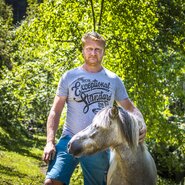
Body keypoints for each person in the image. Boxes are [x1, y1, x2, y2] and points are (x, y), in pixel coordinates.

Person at [43, 32, 147, 185]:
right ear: (83, 50)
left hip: (99, 145)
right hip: (70, 137)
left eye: (98, 49)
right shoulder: (69, 76)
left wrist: (141, 123)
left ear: (103, 52)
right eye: (89, 48)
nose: (93, 53)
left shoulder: (113, 79)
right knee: (51, 182)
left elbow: (130, 108)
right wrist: (50, 141)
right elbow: (55, 111)